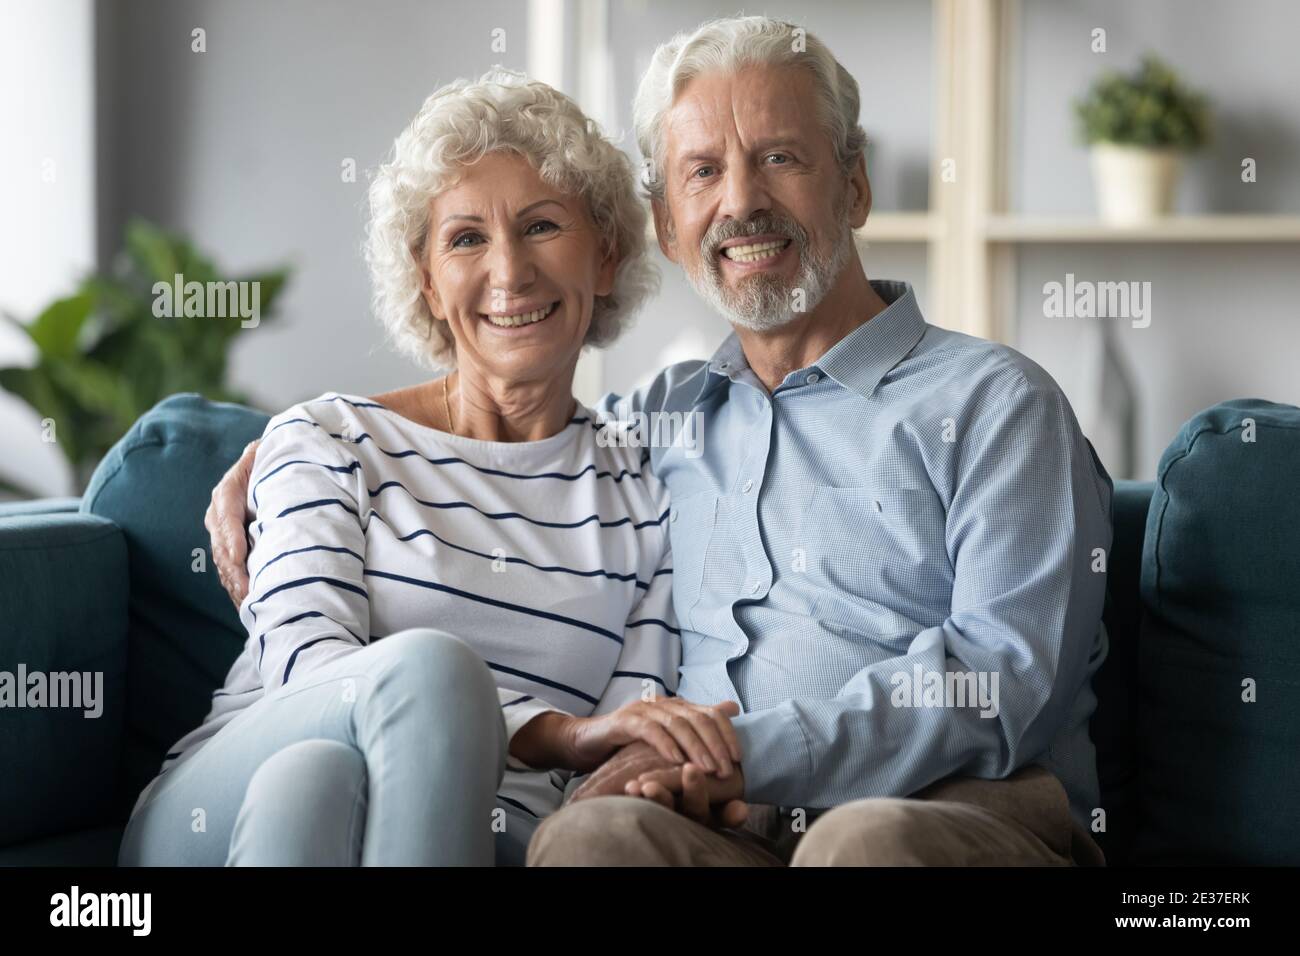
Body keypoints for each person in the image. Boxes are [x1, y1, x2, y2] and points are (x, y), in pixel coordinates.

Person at [210, 17, 1113, 867]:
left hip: (955, 807)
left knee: (860, 845)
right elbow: (501, 431)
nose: (743, 202)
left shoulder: (996, 404)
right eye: (703, 173)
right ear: (670, 230)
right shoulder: (653, 427)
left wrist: (751, 754)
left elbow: (996, 681)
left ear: (857, 182)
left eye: (780, 159)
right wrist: (291, 450)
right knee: (591, 839)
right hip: (720, 822)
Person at [119, 69, 742, 868]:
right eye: (466, 238)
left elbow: (629, 734)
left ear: (608, 257)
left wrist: (635, 761)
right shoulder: (328, 440)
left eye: (543, 226)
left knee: (315, 790)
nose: (510, 272)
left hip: (487, 831)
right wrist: (557, 733)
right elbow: (309, 666)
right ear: (426, 279)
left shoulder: (642, 489)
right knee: (347, 735)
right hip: (223, 795)